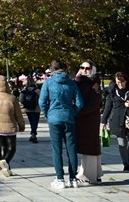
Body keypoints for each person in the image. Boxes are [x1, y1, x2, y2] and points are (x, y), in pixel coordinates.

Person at [40, 58, 84, 190]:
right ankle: (73, 178)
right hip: (69, 117)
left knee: (56, 149)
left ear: (52, 70)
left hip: (54, 118)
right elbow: (80, 103)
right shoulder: (71, 83)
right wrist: (72, 112)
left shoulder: (48, 83)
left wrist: (48, 114)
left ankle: (60, 179)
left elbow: (42, 102)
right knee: (71, 148)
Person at [101, 71, 129, 172]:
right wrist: (103, 121)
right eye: (118, 82)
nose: (120, 84)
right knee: (122, 143)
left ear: (126, 81)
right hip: (117, 120)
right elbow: (107, 108)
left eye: (122, 82)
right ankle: (126, 164)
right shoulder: (112, 93)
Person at [74, 60, 102, 186]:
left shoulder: (94, 83)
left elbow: (94, 103)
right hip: (83, 119)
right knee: (89, 147)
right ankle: (95, 173)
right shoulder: (81, 82)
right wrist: (77, 79)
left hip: (89, 119)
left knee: (90, 147)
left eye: (88, 68)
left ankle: (87, 175)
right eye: (82, 67)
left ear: (93, 69)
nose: (84, 70)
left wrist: (77, 112)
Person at [19, 78, 41, 143]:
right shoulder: (37, 90)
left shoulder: (24, 90)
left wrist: (25, 104)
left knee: (31, 122)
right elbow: (41, 98)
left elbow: (21, 99)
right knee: (35, 122)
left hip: (28, 109)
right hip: (36, 109)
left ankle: (32, 133)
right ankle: (33, 134)